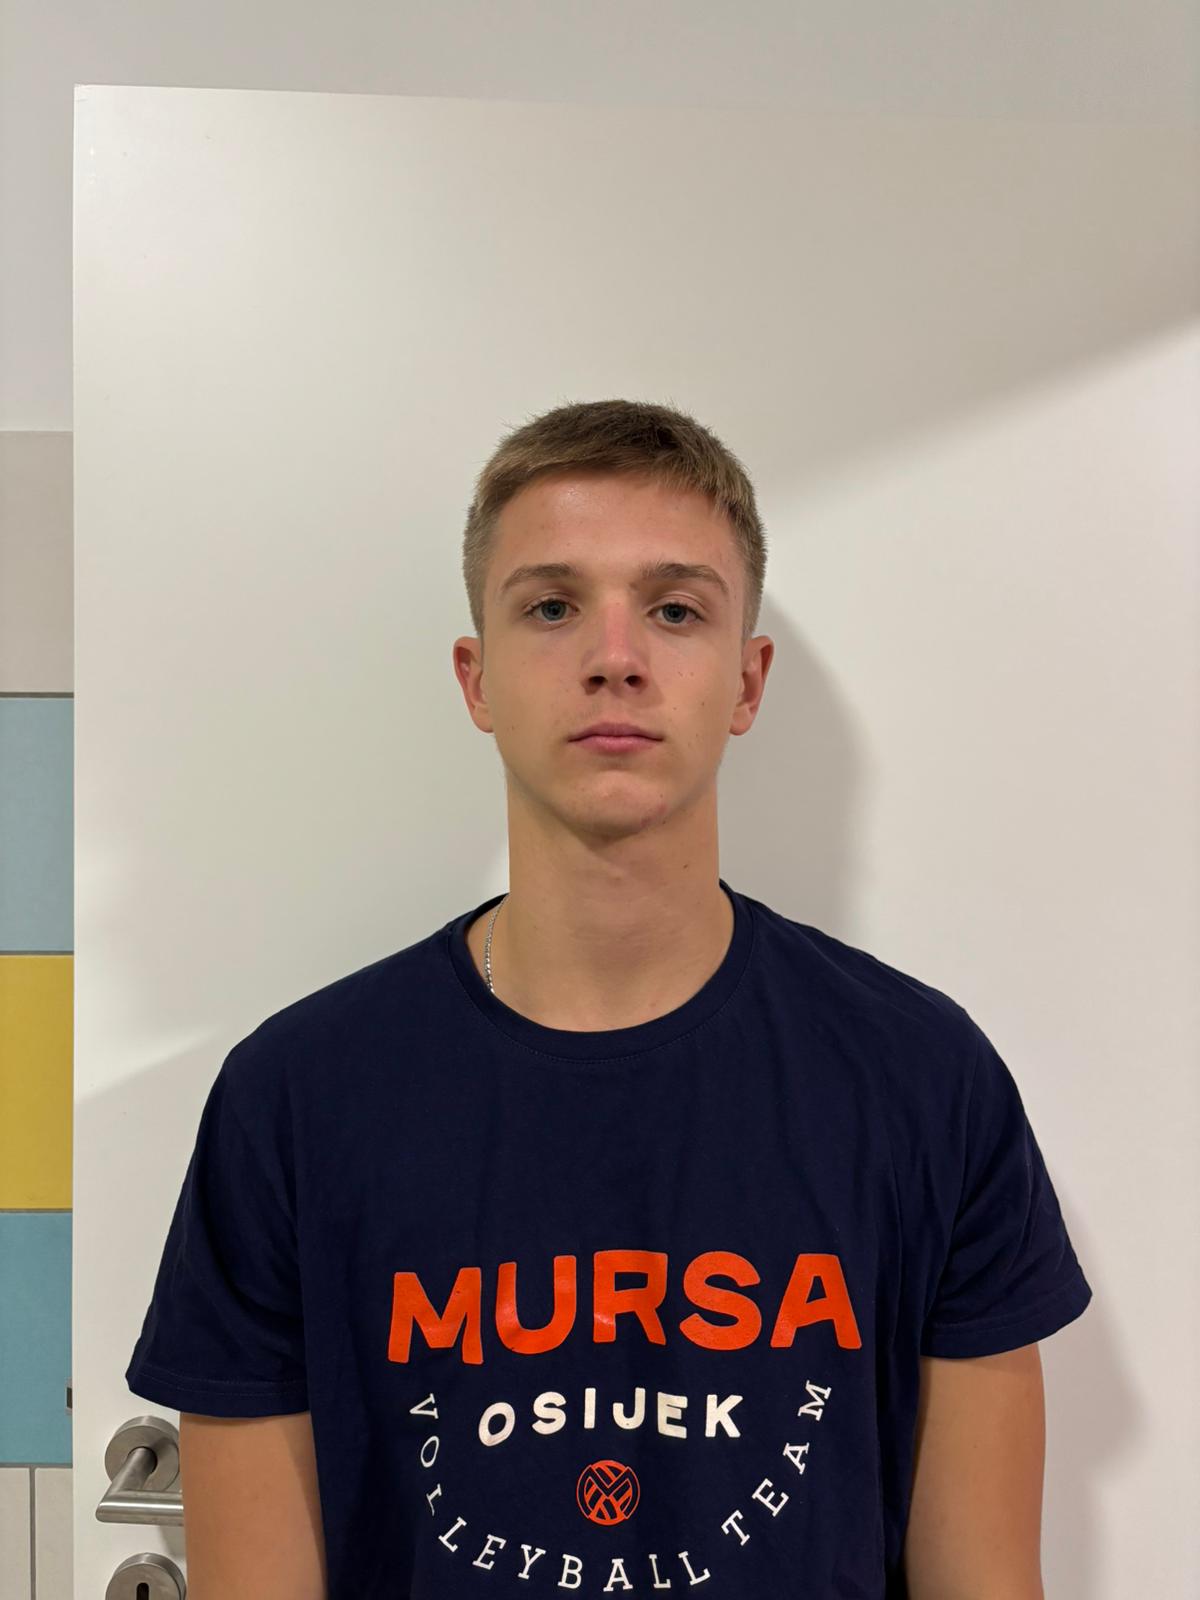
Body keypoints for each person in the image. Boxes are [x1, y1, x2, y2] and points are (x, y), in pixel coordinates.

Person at [126, 397, 1092, 1599]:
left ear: (747, 681)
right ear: (477, 679)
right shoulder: (295, 1100)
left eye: (676, 609)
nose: (615, 655)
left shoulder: (925, 1081)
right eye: (552, 606)